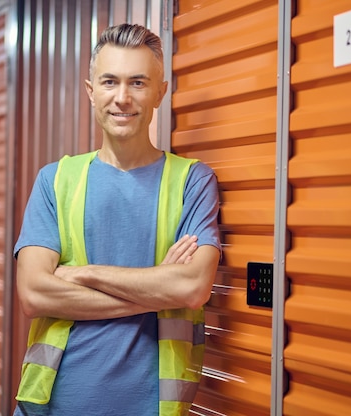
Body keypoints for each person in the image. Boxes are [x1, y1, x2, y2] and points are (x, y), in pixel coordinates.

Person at [13, 23, 221, 416]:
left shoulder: (192, 180)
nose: (122, 98)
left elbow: (192, 287)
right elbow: (34, 294)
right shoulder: (56, 180)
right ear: (91, 91)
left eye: (138, 83)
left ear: (160, 92)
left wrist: (83, 273)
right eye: (110, 82)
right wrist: (156, 288)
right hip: (49, 408)